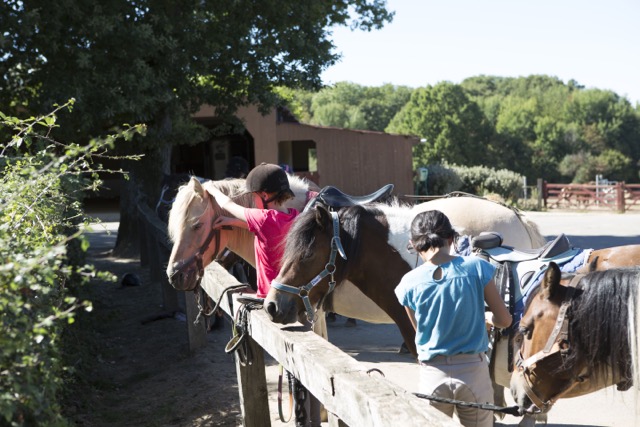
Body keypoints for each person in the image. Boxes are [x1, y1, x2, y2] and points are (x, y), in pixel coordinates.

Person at [394, 210, 511, 427]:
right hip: (473, 373)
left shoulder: (408, 283)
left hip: (432, 376)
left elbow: (420, 332)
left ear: (414, 244)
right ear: (451, 238)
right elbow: (504, 320)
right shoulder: (476, 267)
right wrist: (487, 318)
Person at [204, 162, 298, 299]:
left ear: (265, 196)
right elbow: (270, 231)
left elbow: (227, 204)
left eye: (254, 196)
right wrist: (232, 222)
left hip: (270, 297)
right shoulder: (294, 216)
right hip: (290, 296)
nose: (253, 200)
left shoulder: (263, 218)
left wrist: (211, 188)